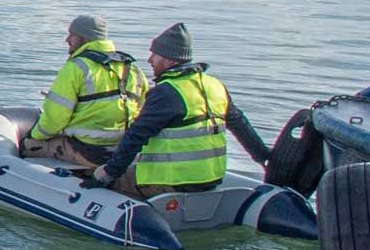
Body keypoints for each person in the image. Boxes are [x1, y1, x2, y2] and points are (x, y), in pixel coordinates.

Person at [88, 23, 271, 200]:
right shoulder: (215, 86)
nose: (150, 60)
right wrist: (261, 156)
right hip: (210, 178)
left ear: (170, 60)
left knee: (100, 173)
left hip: (170, 181)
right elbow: (240, 125)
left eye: (155, 55)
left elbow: (135, 137)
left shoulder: (166, 92)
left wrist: (108, 174)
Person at [21, 14, 148, 171]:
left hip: (88, 151)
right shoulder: (133, 69)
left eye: (72, 35)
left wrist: (34, 135)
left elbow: (56, 118)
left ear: (84, 38)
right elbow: (144, 112)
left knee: (29, 145)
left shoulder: (76, 68)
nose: (67, 40)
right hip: (123, 152)